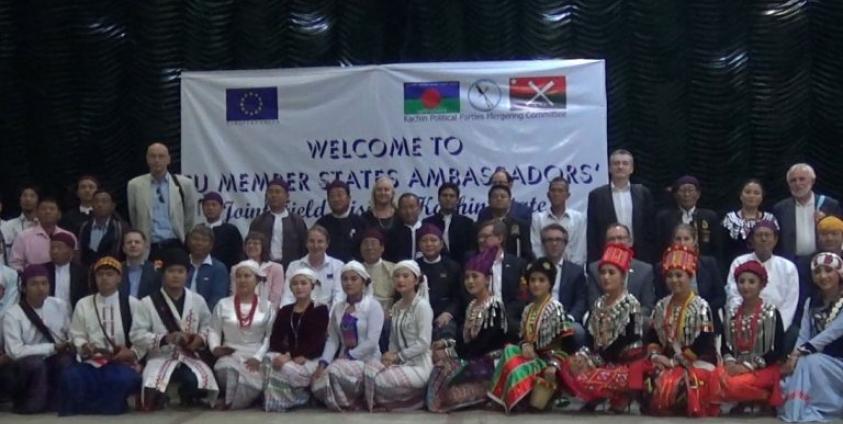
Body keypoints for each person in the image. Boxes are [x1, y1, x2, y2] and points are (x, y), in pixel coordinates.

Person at [559, 243, 647, 413]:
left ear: (622, 277)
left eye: (611, 273)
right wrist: (584, 356)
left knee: (589, 378)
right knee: (568, 365)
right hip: (601, 359)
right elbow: (592, 338)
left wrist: (596, 361)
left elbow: (627, 344)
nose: (605, 277)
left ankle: (620, 395)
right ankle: (600, 396)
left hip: (624, 365)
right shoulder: (599, 303)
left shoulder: (631, 305)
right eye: (603, 273)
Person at [130, 248, 218, 409]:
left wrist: (199, 338)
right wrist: (165, 338)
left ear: (187, 274)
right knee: (152, 390)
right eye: (171, 271)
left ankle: (187, 396)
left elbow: (208, 326)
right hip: (160, 356)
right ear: (163, 274)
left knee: (197, 382)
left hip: (189, 355)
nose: (176, 275)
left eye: (180, 271)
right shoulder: (147, 302)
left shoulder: (197, 300)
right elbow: (136, 335)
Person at [488, 258, 577, 413]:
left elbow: (568, 343)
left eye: (542, 280)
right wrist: (524, 344)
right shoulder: (528, 309)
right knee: (510, 349)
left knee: (515, 365)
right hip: (532, 358)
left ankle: (521, 398)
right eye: (533, 280)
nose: (536, 284)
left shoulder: (555, 308)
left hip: (549, 363)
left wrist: (554, 364)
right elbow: (523, 337)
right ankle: (512, 397)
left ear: (550, 284)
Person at [59, 256, 142, 415]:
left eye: (109, 274)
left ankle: (110, 406)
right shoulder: (84, 304)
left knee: (120, 380)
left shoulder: (132, 303)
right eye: (100, 274)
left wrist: (131, 352)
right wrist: (84, 345)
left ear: (119, 278)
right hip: (92, 360)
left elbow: (141, 336)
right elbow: (77, 334)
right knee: (71, 377)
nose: (104, 278)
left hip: (120, 362)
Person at [426, 249, 508, 413]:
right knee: (438, 365)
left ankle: (489, 392)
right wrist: (445, 344)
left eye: (475, 276)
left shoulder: (494, 306)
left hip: (488, 364)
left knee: (446, 382)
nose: (470, 281)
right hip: (471, 360)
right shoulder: (472, 305)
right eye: (467, 277)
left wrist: (450, 354)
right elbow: (465, 340)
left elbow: (482, 346)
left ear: (487, 279)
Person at [645, 244, 719, 417]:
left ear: (690, 276)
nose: (674, 280)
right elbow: (652, 337)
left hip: (697, 362)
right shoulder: (661, 306)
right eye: (670, 276)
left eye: (679, 275)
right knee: (647, 376)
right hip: (667, 361)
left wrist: (676, 362)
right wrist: (656, 356)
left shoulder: (701, 306)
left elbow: (705, 343)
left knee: (683, 384)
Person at [311, 260, 384, 411]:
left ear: (363, 282)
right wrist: (323, 363)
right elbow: (333, 339)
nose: (348, 283)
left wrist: (350, 356)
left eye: (353, 279)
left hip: (368, 359)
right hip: (343, 360)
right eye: (345, 279)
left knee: (333, 372)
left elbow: (372, 342)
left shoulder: (373, 306)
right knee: (319, 377)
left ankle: (348, 402)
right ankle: (347, 400)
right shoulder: (338, 308)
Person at [780, 251, 843, 422]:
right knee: (786, 380)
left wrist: (800, 353)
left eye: (828, 271)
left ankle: (811, 410)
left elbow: (832, 333)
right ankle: (801, 409)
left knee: (810, 362)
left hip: (837, 362)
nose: (823, 276)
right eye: (818, 271)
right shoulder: (811, 302)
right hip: (817, 360)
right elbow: (803, 335)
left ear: (839, 273)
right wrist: (793, 358)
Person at [2, 264, 73, 413]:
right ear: (24, 288)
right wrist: (52, 348)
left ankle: (55, 401)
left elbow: (69, 333)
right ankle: (29, 404)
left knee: (66, 361)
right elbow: (14, 351)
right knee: (36, 363)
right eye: (34, 284)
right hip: (23, 367)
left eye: (44, 283)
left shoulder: (58, 305)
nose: (40, 288)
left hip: (52, 358)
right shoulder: (12, 314)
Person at [363, 260, 433, 411]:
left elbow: (424, 343)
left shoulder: (422, 306)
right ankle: (403, 400)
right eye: (397, 276)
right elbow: (393, 339)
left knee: (380, 380)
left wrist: (398, 356)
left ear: (415, 280)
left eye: (405, 276)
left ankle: (414, 399)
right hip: (400, 363)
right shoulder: (396, 306)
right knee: (368, 371)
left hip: (419, 365)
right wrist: (390, 356)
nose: (400, 280)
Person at [718, 260, 785, 414]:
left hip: (763, 367)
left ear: (762, 285)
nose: (745, 286)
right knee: (714, 380)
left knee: (733, 385)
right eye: (741, 281)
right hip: (735, 367)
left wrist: (747, 367)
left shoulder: (771, 313)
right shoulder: (731, 314)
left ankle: (762, 397)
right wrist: (730, 364)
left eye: (751, 282)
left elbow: (777, 350)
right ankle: (748, 400)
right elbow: (725, 347)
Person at [208, 260, 275, 410]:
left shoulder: (267, 306)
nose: (242, 280)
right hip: (229, 352)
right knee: (227, 369)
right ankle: (240, 399)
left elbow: (269, 336)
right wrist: (215, 348)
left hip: (256, 353)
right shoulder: (223, 304)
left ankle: (231, 401)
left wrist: (257, 358)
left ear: (257, 280)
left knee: (252, 375)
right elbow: (213, 330)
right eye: (239, 276)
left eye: (247, 276)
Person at [263, 266, 329, 412]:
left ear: (312, 285)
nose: (299, 287)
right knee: (268, 359)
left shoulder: (320, 309)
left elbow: (318, 342)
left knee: (283, 368)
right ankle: (280, 399)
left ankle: (296, 398)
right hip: (289, 355)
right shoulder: (285, 310)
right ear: (291, 287)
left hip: (310, 358)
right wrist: (287, 354)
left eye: (303, 283)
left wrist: (295, 356)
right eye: (295, 283)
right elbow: (275, 339)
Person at [725, 220, 799, 346]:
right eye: (759, 235)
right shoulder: (739, 262)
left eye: (768, 235)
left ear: (775, 240)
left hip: (777, 326)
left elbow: (790, 304)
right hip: (743, 324)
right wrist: (744, 323)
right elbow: (733, 296)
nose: (763, 239)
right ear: (752, 240)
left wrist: (775, 329)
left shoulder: (788, 267)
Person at [127, 142, 198, 260]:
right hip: (148, 248)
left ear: (169, 159)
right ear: (147, 159)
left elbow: (190, 218)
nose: (157, 160)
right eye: (153, 156)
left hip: (176, 245)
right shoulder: (135, 185)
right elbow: (134, 218)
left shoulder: (184, 184)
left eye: (161, 156)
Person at [587, 149, 656, 263]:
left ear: (631, 169)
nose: (620, 167)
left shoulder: (643, 193)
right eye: (616, 163)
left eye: (625, 163)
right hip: (607, 254)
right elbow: (592, 233)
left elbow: (650, 229)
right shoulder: (597, 195)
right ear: (609, 168)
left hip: (639, 254)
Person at [654, 223, 725, 331]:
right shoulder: (661, 267)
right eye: (678, 239)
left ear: (695, 241)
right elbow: (660, 297)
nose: (682, 243)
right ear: (672, 242)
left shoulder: (709, 263)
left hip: (707, 321)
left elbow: (721, 297)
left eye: (686, 239)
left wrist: (699, 311)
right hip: (672, 323)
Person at [587, 223, 656, 321]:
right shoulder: (595, 269)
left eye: (620, 238)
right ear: (606, 244)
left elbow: (648, 306)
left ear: (630, 241)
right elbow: (593, 305)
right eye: (611, 239)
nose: (616, 242)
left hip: (634, 320)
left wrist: (624, 317)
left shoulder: (645, 270)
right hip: (603, 320)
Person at [774, 163, 842, 259]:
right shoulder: (780, 208)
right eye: (793, 180)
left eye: (802, 179)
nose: (797, 184)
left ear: (812, 181)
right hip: (791, 262)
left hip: (823, 261)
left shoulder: (829, 204)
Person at [476, 220, 527, 339]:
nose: (481, 240)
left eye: (486, 236)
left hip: (509, 317)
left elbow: (521, 297)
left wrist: (502, 315)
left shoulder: (517, 264)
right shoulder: (472, 263)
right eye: (479, 237)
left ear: (500, 238)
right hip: (479, 316)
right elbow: (466, 294)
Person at [540, 224, 588, 345]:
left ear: (565, 244)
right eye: (549, 240)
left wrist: (570, 318)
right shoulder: (535, 268)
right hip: (540, 318)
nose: (554, 244)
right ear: (543, 244)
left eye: (558, 240)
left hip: (566, 318)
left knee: (578, 331)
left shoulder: (576, 271)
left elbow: (581, 300)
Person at [416, 223, 463, 341]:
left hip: (443, 316)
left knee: (445, 338)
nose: (429, 244)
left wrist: (448, 312)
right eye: (424, 240)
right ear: (419, 245)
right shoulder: (414, 267)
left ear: (441, 244)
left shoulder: (453, 267)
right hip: (417, 316)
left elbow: (458, 297)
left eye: (433, 240)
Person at [655, 176, 721, 260]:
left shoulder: (710, 217)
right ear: (675, 195)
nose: (687, 194)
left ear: (698, 194)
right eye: (682, 191)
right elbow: (658, 248)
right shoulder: (664, 218)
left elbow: (717, 248)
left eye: (690, 190)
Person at [248, 178, 307, 268]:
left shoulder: (297, 221)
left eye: (278, 192)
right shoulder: (259, 221)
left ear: (287, 196)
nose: (274, 195)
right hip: (264, 267)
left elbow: (304, 247)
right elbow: (251, 247)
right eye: (270, 192)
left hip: (292, 268)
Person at [282, 225, 344, 309]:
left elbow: (339, 297)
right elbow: (288, 297)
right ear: (306, 243)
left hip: (328, 315)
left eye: (320, 241)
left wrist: (329, 318)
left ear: (327, 244)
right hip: (299, 314)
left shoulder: (338, 266)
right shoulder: (294, 266)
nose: (315, 246)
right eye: (311, 241)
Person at [721, 179, 779, 266]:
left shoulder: (770, 219)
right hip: (735, 265)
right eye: (748, 192)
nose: (752, 196)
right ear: (741, 196)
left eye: (756, 193)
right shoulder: (730, 219)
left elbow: (778, 247)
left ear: (762, 197)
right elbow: (722, 249)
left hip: (766, 265)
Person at [530, 177, 586, 266]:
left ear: (568, 195)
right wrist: (546, 267)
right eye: (553, 190)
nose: (556, 194)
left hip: (572, 270)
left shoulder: (579, 218)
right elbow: (536, 247)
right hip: (545, 270)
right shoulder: (537, 219)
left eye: (560, 191)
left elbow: (580, 248)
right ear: (548, 195)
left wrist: (572, 270)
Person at [10, 197, 77, 271]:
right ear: (37, 213)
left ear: (59, 214)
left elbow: (75, 262)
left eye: (52, 209)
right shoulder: (23, 237)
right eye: (43, 209)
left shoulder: (69, 236)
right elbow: (15, 264)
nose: (47, 211)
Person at [422, 182, 477, 265]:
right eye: (444, 195)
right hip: (434, 266)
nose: (448, 199)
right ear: (439, 198)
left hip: (461, 266)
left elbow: (471, 249)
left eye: (451, 196)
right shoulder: (428, 222)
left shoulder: (467, 223)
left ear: (457, 200)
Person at [316, 180, 366, 262]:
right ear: (328, 200)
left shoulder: (360, 222)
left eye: (339, 195)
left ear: (349, 198)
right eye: (332, 196)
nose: (336, 199)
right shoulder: (322, 224)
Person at [78, 190, 125, 269]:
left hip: (111, 271)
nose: (100, 205)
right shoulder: (83, 227)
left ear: (112, 206)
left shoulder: (121, 229)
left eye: (104, 201)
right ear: (92, 205)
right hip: (86, 273)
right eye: (96, 201)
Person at [186, 224, 229, 311]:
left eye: (204, 240)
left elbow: (217, 299)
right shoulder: (181, 263)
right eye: (195, 239)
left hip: (207, 318)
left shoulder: (218, 268)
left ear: (211, 245)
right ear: (188, 241)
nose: (199, 243)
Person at [484, 185, 533, 261]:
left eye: (503, 196)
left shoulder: (521, 225)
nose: (499, 199)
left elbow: (527, 253)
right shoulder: (481, 225)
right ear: (489, 201)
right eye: (495, 196)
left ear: (510, 201)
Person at [238, 231, 285, 308]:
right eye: (249, 243)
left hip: (268, 312)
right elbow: (235, 293)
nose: (251, 246)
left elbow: (276, 297)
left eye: (256, 243)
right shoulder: (237, 268)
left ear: (263, 247)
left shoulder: (276, 268)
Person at [45, 232, 89, 313]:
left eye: (59, 247)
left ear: (71, 251)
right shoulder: (43, 270)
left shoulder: (81, 273)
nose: (54, 251)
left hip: (73, 315)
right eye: (52, 248)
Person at [201, 192, 243, 271]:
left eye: (214, 205)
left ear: (221, 208)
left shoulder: (231, 230)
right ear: (203, 208)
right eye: (207, 205)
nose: (210, 208)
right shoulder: (198, 229)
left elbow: (238, 255)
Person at [120, 230, 161, 300]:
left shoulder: (156, 271)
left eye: (137, 242)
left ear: (145, 247)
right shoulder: (117, 270)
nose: (133, 245)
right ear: (123, 248)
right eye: (129, 242)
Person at [384, 192, 423, 262]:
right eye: (404, 208)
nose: (408, 211)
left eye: (412, 207)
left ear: (419, 208)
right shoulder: (392, 234)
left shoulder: (429, 231)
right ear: (399, 211)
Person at [1, 184, 40, 254]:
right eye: (24, 196)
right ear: (20, 199)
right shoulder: (7, 226)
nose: (28, 199)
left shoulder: (45, 225)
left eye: (32, 196)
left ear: (38, 200)